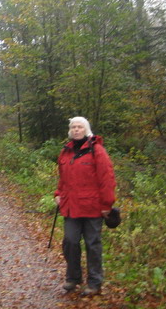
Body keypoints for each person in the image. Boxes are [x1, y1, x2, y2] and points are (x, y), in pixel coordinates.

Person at [54, 116, 116, 296]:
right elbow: (63, 179)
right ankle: (73, 278)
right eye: (73, 127)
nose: (76, 129)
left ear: (86, 129)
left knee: (92, 244)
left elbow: (107, 179)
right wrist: (58, 194)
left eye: (79, 127)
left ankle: (95, 282)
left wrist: (107, 204)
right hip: (71, 206)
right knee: (70, 242)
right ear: (70, 130)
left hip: (92, 207)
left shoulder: (97, 151)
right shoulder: (66, 151)